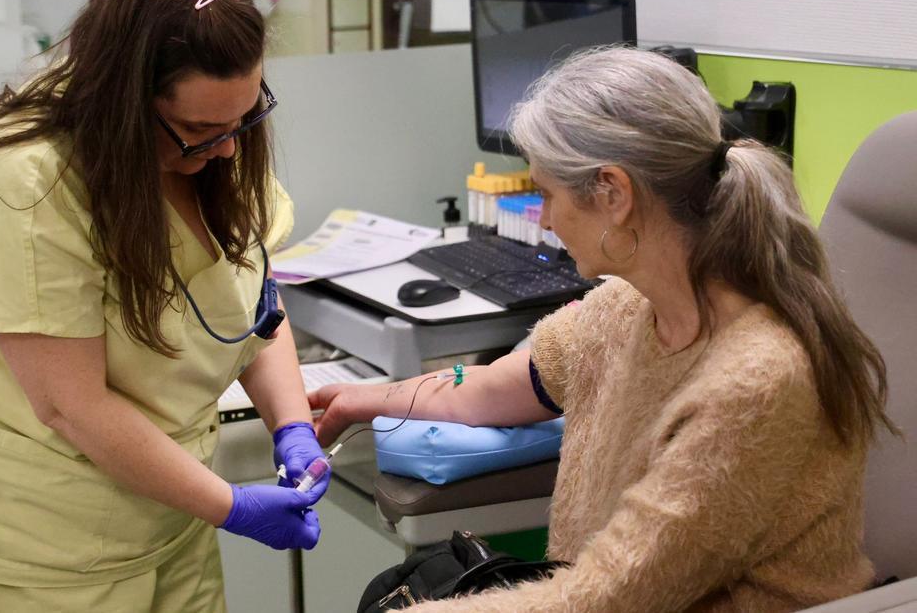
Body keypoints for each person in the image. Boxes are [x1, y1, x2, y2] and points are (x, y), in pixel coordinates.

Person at [311, 47, 898, 612]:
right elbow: (490, 388)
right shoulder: (621, 309)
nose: (544, 219)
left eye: (547, 193)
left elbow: (606, 600)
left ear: (613, 193)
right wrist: (364, 400)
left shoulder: (754, 384)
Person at [0, 0, 328, 611]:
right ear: (125, 100)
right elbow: (70, 405)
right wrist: (231, 505)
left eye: (243, 119)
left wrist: (292, 425)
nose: (228, 149)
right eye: (199, 131)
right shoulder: (20, 184)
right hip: (36, 543)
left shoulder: (215, 143)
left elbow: (254, 299)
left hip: (168, 508)